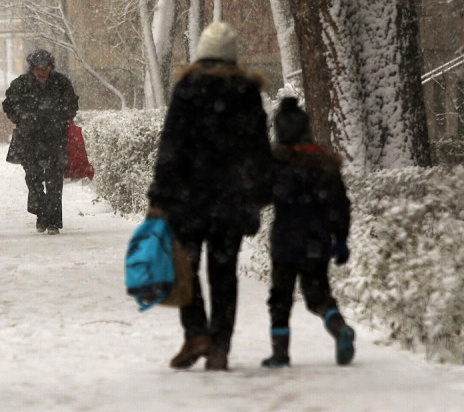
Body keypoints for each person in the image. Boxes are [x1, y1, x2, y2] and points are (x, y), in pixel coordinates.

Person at [147, 22, 272, 371]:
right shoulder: (247, 91)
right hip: (232, 200)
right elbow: (258, 149)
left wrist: (159, 195)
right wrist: (259, 192)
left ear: (201, 53)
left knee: (184, 267)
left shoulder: (188, 88)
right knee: (224, 271)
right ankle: (219, 346)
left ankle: (196, 332)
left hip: (190, 198)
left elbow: (171, 145)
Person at [261, 97, 355, 368]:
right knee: (317, 295)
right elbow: (340, 204)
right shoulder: (324, 163)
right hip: (317, 239)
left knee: (280, 297)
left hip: (285, 240)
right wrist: (341, 239)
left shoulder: (277, 163)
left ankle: (280, 354)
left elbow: (263, 195)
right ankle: (339, 328)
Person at [2, 49, 79, 235]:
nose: (41, 72)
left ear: (50, 68)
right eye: (38, 68)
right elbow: (8, 105)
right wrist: (22, 118)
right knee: (34, 180)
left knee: (54, 182)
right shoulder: (21, 84)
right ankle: (41, 213)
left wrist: (59, 116)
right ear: (32, 68)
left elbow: (72, 106)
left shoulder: (61, 83)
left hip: (55, 139)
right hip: (29, 139)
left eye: (45, 68)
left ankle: (53, 221)